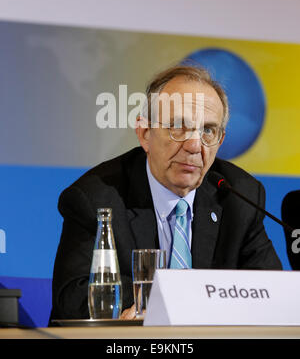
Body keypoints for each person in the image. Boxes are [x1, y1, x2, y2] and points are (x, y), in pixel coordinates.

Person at [50, 65, 282, 322]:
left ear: (220, 141)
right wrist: (181, 299)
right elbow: (74, 295)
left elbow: (270, 294)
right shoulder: (96, 198)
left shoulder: (240, 196)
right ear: (145, 134)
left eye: (208, 131)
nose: (194, 146)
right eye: (178, 126)